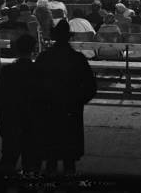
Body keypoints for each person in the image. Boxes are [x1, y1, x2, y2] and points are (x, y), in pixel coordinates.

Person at [35, 20, 97, 175]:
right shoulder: (77, 58)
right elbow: (91, 87)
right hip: (71, 111)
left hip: (48, 110)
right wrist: (77, 101)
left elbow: (35, 84)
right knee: (69, 159)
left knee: (51, 157)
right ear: (68, 37)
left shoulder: (44, 57)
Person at [0, 34, 41, 173]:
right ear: (33, 49)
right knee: (31, 162)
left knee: (8, 159)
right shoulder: (38, 71)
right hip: (32, 120)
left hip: (11, 119)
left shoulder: (7, 70)